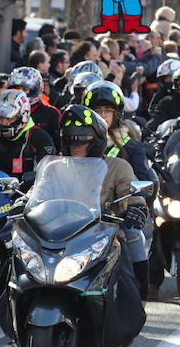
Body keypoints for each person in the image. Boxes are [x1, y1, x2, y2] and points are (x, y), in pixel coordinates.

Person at [59, 105, 149, 302]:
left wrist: (136, 207)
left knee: (127, 287)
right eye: (71, 142)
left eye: (83, 141)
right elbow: (40, 192)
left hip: (104, 241)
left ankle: (138, 300)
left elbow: (131, 191)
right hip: (60, 239)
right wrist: (24, 201)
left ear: (96, 142)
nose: (76, 147)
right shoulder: (58, 167)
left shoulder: (118, 167)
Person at [0, 90, 55, 179]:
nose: (3, 123)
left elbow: (46, 175)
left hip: (25, 191)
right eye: (0, 117)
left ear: (23, 116)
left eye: (9, 118)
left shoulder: (40, 138)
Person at [7, 67, 60, 147]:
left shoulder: (51, 113)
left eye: (25, 89)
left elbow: (58, 145)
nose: (20, 93)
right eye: (16, 89)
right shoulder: (4, 111)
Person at [147, 66, 180, 131]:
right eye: (179, 83)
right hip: (173, 139)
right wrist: (146, 133)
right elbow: (155, 122)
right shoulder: (167, 102)